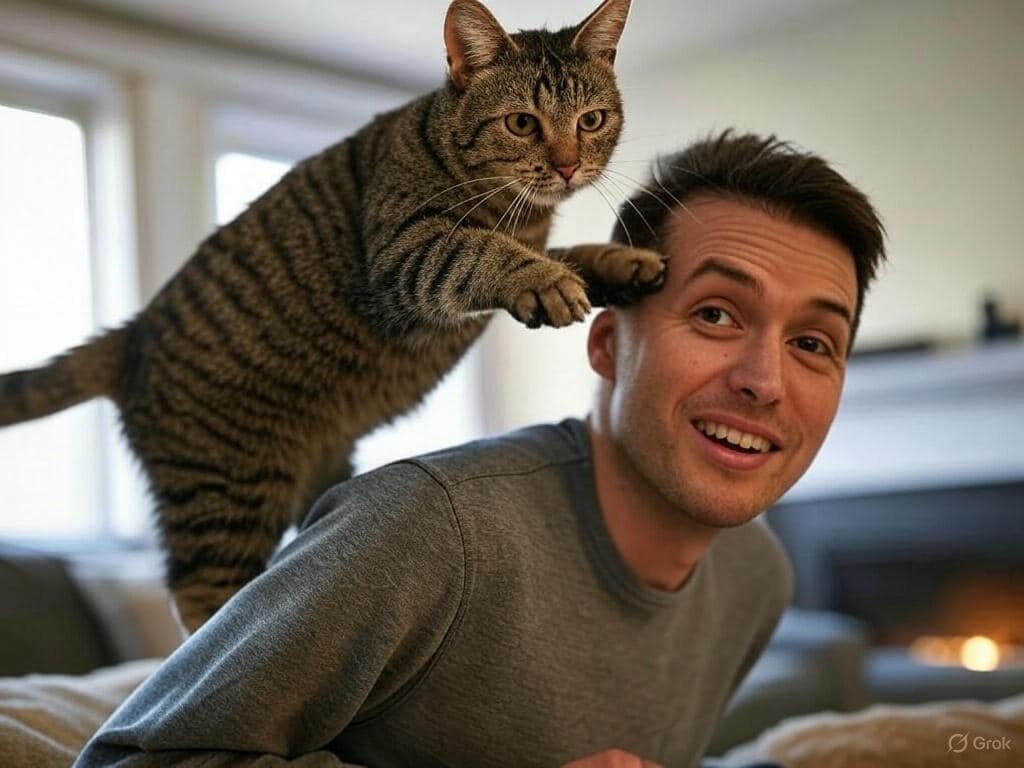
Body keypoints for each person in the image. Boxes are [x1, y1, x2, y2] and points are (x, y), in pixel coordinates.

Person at [75, 130, 886, 768]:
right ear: (606, 345)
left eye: (815, 342)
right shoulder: (426, 528)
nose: (765, 380)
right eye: (715, 314)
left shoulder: (758, 577)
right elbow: (130, 761)